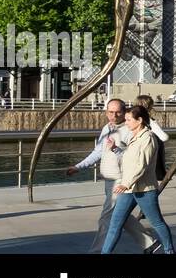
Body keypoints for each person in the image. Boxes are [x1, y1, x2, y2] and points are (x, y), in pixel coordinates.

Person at [67, 98, 156, 254]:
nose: (114, 115)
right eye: (110, 112)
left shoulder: (130, 130)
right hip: (109, 180)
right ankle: (150, 244)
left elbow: (133, 158)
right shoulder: (107, 128)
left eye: (118, 112)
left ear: (124, 112)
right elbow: (98, 152)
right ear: (106, 112)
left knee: (106, 218)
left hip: (120, 181)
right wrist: (78, 166)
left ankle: (97, 251)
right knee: (121, 216)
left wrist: (115, 149)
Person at [100, 104, 176, 254]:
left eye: (128, 120)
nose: (126, 122)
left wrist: (125, 184)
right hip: (128, 189)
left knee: (157, 223)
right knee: (115, 224)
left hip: (144, 190)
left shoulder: (148, 138)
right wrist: (115, 148)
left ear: (139, 120)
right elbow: (130, 159)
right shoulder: (134, 137)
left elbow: (141, 165)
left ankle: (169, 251)